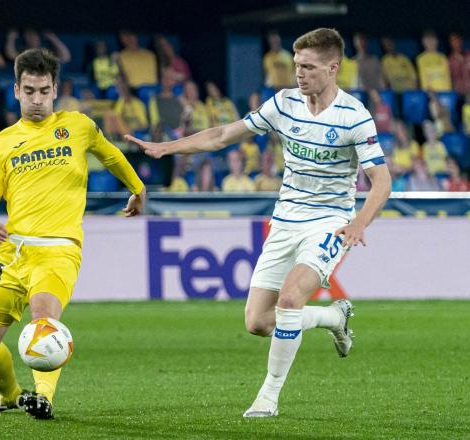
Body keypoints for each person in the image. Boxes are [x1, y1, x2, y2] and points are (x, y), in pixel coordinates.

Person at [126, 28, 392, 418]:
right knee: (258, 322)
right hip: (285, 220)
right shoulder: (283, 104)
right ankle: (332, 316)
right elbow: (221, 135)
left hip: (329, 223)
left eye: (308, 67)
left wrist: (359, 223)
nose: (299, 74)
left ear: (333, 68)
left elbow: (381, 181)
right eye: (296, 65)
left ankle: (268, 396)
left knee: (289, 300)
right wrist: (168, 147)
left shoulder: (355, 116)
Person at [0, 48, 145, 419]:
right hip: (13, 252)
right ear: (16, 90)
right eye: (30, 91)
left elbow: (111, 154)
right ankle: (12, 395)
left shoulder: (77, 126)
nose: (37, 100)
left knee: (43, 322)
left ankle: (43, 398)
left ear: (55, 89)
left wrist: (137, 187)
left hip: (59, 249)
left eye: (44, 91)